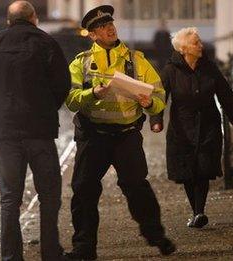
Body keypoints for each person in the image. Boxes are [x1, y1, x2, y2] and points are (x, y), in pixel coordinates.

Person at [63, 5, 176, 260]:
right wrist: (92, 93)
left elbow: (158, 96)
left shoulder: (136, 60)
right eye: (102, 26)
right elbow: (70, 100)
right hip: (93, 136)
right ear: (92, 35)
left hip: (126, 135)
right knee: (83, 191)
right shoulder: (81, 63)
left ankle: (157, 237)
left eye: (110, 23)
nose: (110, 28)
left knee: (137, 187)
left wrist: (149, 104)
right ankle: (83, 249)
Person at [0, 1, 71, 260]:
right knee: (49, 195)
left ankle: (11, 257)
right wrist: (47, 107)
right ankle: (50, 253)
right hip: (39, 131)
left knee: (9, 198)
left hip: (6, 134)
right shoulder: (46, 43)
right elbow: (62, 84)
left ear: (8, 20)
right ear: (34, 18)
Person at [153, 27, 233, 228]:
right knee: (188, 171)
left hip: (208, 126)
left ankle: (199, 212)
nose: (201, 46)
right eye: (196, 43)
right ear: (184, 49)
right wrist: (156, 120)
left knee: (203, 170)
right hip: (182, 129)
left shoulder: (209, 68)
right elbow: (159, 97)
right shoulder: (171, 70)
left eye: (200, 42)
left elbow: (226, 96)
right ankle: (196, 211)